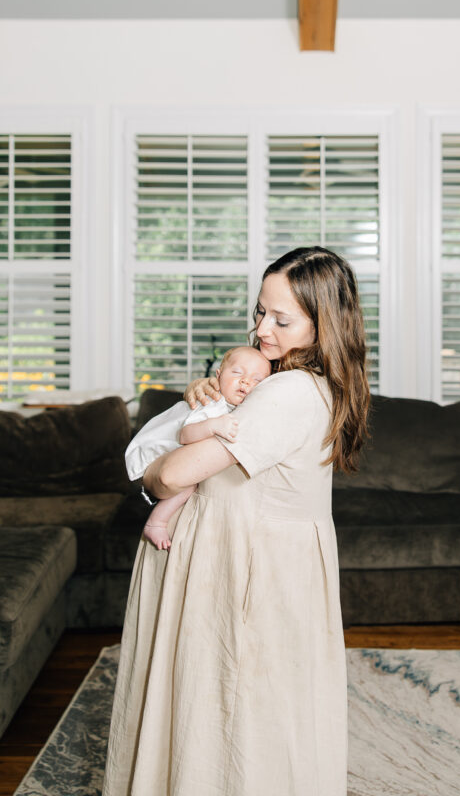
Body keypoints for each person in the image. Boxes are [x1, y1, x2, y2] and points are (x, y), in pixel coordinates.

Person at [102, 246, 369, 796]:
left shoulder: (290, 393)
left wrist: (159, 464)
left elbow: (169, 477)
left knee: (230, 711)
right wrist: (205, 400)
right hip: (238, 557)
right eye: (260, 311)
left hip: (245, 567)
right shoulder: (282, 381)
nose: (262, 329)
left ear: (323, 327)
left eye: (281, 320)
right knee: (236, 709)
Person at [124, 346, 271, 550]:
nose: (246, 381)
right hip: (151, 452)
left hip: (167, 453)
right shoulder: (212, 403)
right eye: (237, 372)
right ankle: (156, 522)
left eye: (257, 380)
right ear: (218, 376)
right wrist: (213, 426)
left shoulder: (234, 407)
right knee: (190, 481)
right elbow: (185, 435)